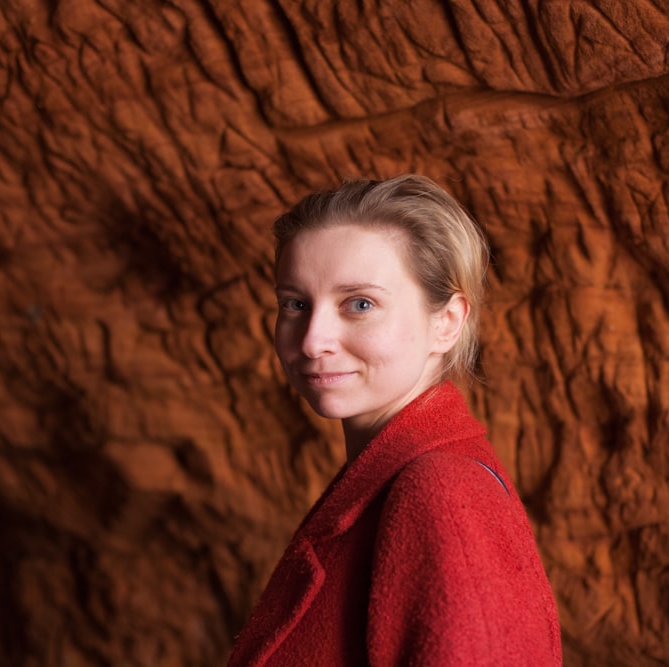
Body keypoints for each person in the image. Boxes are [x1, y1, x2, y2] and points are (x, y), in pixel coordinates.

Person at [228, 175, 562, 666]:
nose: (312, 340)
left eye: (360, 304)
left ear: (446, 322)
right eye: (295, 304)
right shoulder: (391, 478)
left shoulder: (441, 491)